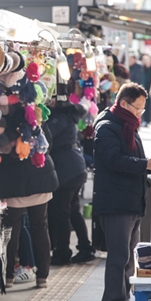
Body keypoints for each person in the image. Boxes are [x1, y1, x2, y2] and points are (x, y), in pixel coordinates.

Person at [93, 82, 151, 301]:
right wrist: (145, 164)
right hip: (115, 203)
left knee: (127, 258)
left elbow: (132, 160)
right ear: (124, 103)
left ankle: (122, 300)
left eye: (143, 109)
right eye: (138, 108)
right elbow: (114, 160)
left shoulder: (127, 124)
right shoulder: (106, 127)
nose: (140, 114)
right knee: (118, 257)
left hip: (130, 200)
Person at [0, 110, 58, 289]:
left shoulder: (3, 124)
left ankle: (8, 277)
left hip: (13, 184)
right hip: (40, 177)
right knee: (40, 227)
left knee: (11, 230)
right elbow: (49, 145)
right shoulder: (36, 119)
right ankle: (42, 277)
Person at [48, 99, 96, 265]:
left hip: (66, 170)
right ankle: (85, 248)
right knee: (73, 210)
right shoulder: (69, 116)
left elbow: (46, 135)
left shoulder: (59, 118)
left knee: (62, 212)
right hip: (75, 167)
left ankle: (63, 252)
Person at [140, 54, 151, 126]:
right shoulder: (142, 69)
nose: (147, 62)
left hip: (150, 89)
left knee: (149, 105)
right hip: (143, 88)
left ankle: (148, 120)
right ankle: (144, 120)